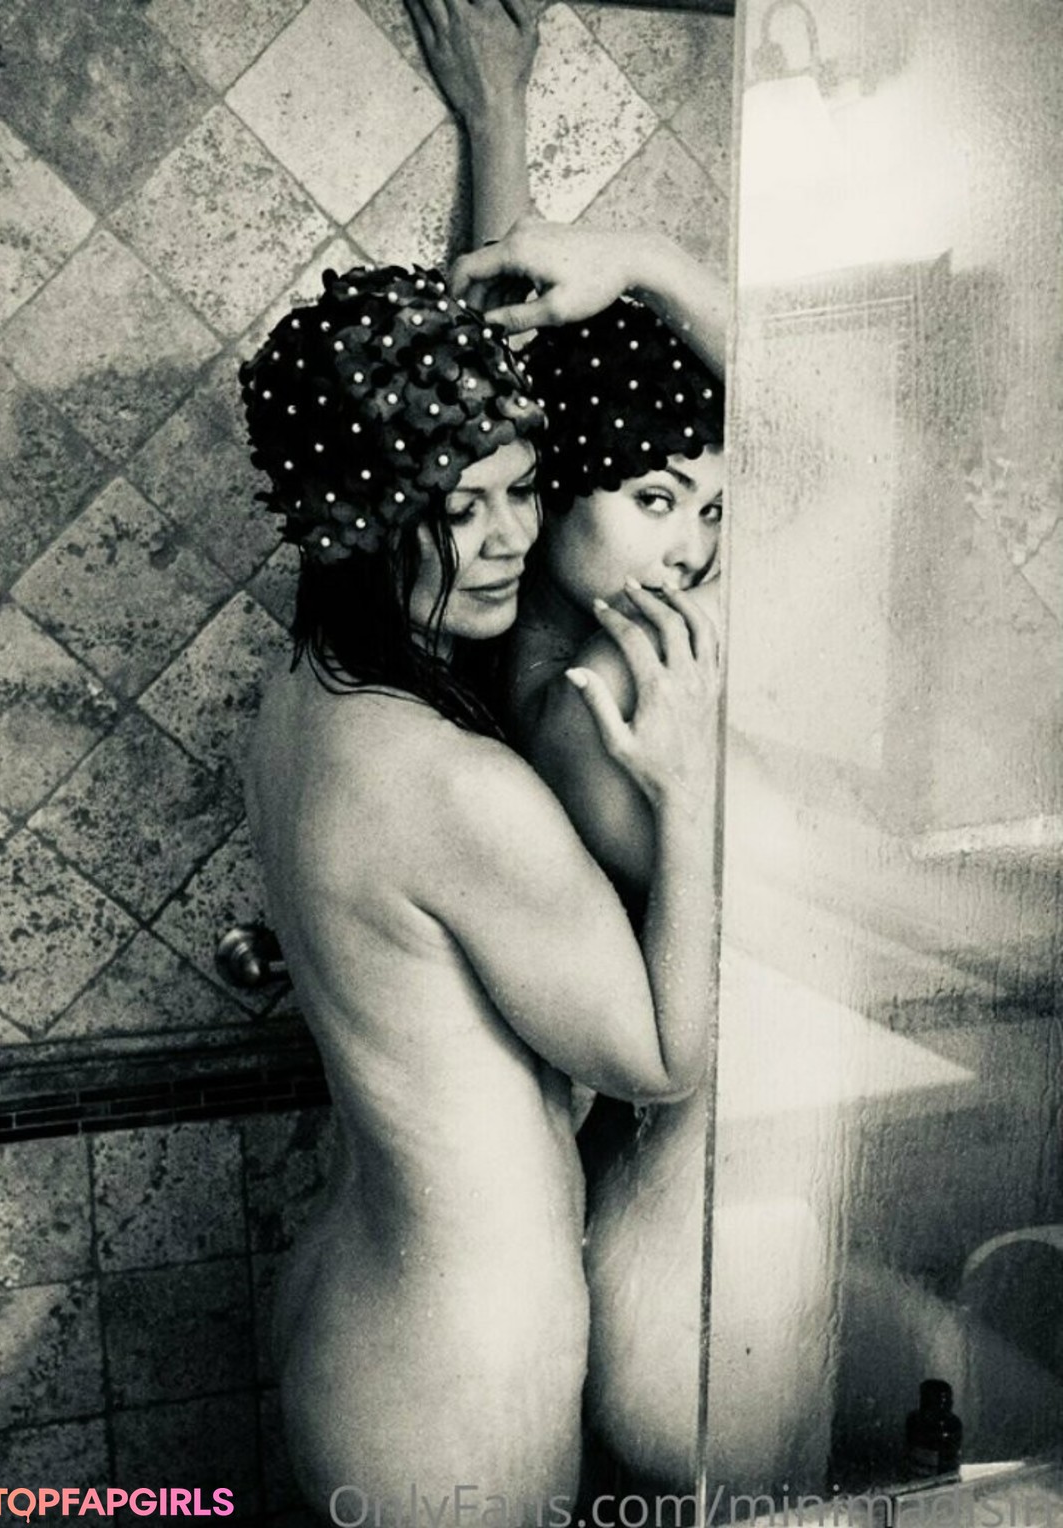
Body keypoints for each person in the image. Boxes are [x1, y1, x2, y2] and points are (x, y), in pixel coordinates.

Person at [239, 264, 720, 1514]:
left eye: (525, 487)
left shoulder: (301, 702)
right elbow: (664, 1058)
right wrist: (687, 791)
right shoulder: (455, 787)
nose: (511, 536)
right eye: (461, 507)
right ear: (357, 518)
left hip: (362, 1304)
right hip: (452, 1379)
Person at [406, 0, 729, 1494]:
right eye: (658, 501)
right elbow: (839, 431)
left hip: (654, 1248)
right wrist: (650, 261)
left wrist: (500, 132)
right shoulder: (597, 712)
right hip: (695, 1272)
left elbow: (495, 379)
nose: (698, 547)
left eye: (710, 508)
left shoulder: (510, 648)